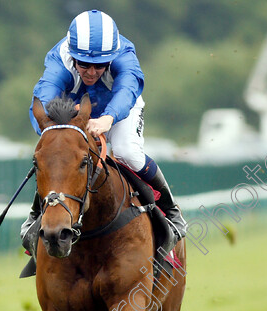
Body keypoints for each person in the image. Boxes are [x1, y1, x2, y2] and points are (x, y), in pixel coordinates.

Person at [22, 9, 187, 254]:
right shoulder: (59, 59)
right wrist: (55, 128)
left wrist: (108, 118)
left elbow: (127, 89)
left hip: (120, 108)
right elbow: (45, 97)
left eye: (99, 66)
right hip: (76, 109)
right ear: (72, 56)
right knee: (58, 155)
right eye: (84, 65)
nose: (91, 72)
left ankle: (170, 209)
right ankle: (35, 216)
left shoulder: (124, 54)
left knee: (125, 152)